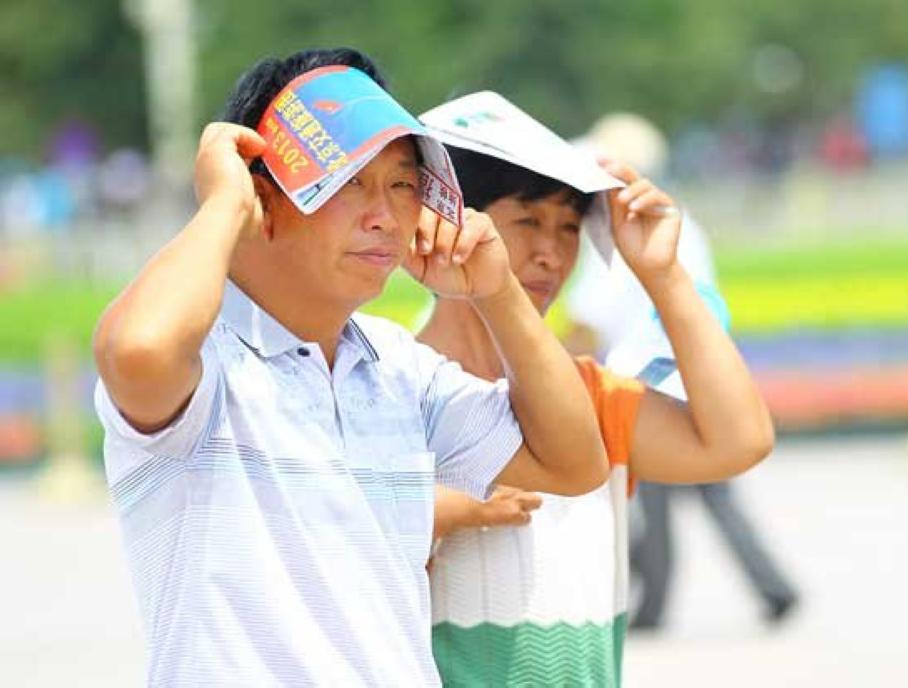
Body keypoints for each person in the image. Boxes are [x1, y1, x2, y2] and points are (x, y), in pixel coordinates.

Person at [91, 51, 608, 687]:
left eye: (402, 186)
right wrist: (221, 208)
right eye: (346, 182)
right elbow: (137, 353)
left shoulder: (396, 368)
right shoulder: (210, 366)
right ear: (262, 194)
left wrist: (497, 292)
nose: (384, 216)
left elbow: (573, 463)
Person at [418, 92, 774, 686]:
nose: (552, 252)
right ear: (451, 220)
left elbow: (739, 441)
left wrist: (664, 275)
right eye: (528, 220)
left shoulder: (591, 396)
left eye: (569, 227)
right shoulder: (390, 388)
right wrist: (440, 512)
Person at [576, 113, 800, 631]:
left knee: (655, 495)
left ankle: (653, 606)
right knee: (717, 488)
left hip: (650, 376)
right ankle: (773, 586)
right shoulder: (677, 220)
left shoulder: (620, 228)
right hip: (699, 369)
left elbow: (590, 316)